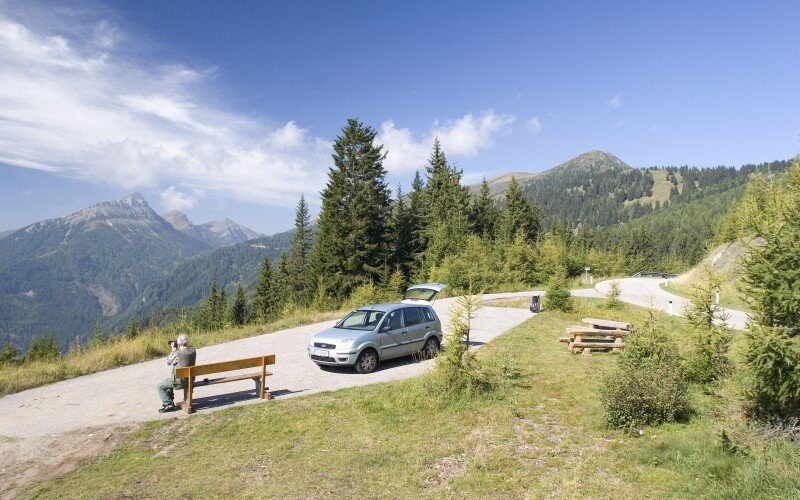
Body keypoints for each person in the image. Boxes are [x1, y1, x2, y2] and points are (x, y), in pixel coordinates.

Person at [156, 333, 196, 413]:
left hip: (180, 382)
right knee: (166, 380)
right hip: (189, 379)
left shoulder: (177, 353)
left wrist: (173, 350)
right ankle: (170, 401)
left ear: (179, 343)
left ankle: (168, 404)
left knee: (160, 386)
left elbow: (168, 362)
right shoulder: (193, 351)